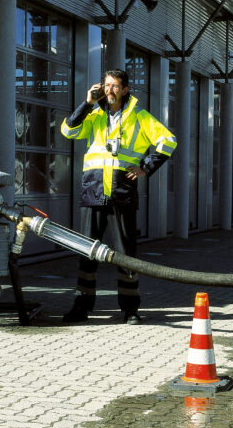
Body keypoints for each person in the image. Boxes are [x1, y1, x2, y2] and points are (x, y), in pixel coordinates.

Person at [60, 68, 177, 324]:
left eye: (114, 86)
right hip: (93, 190)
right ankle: (81, 307)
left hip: (122, 191)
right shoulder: (93, 114)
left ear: (125, 89)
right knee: (86, 252)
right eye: (106, 85)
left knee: (125, 255)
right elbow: (68, 131)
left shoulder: (139, 116)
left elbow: (168, 141)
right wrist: (87, 103)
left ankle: (130, 309)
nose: (109, 90)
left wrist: (145, 167)